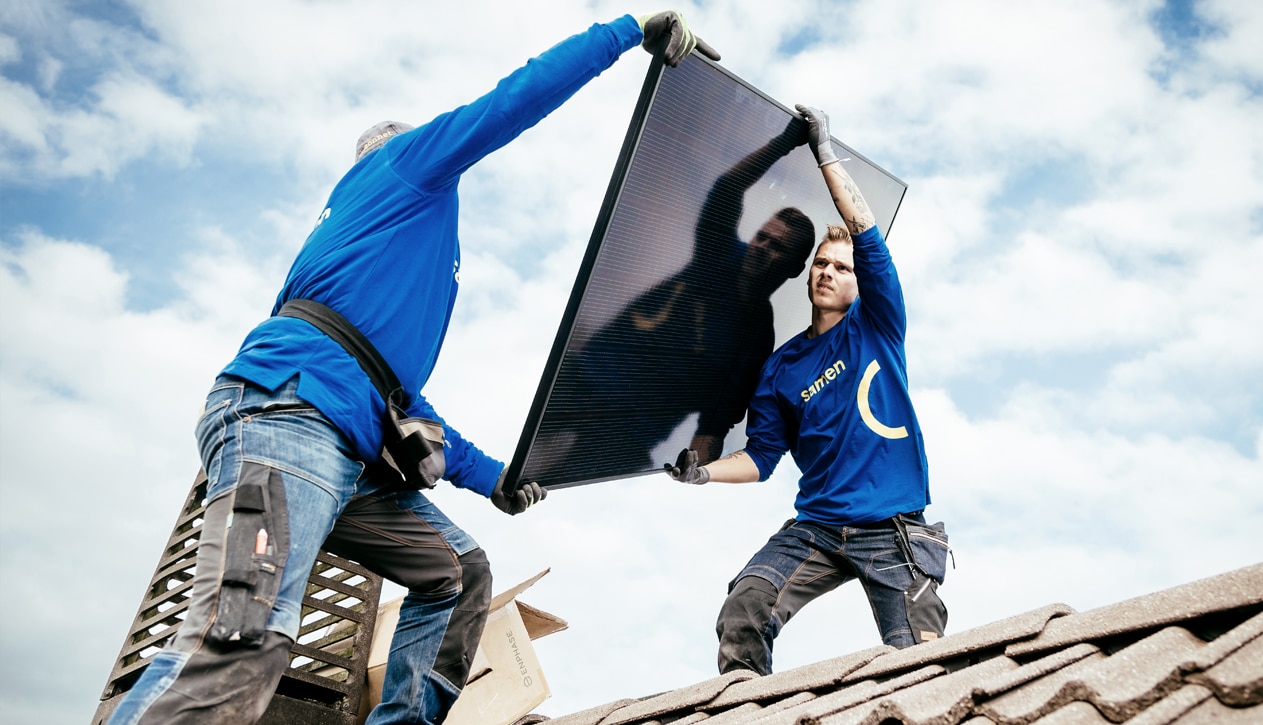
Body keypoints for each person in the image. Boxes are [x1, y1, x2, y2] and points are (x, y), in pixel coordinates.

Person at [110, 12, 718, 725]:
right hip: (289, 421)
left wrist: (495, 477)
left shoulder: (380, 274)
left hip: (344, 445)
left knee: (457, 576)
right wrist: (627, 33)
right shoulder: (398, 167)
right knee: (239, 639)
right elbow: (510, 101)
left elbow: (399, 403)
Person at [666, 105, 950, 676]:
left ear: (858, 281)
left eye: (841, 267)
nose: (828, 272)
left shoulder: (878, 324)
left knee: (921, 667)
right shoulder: (780, 366)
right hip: (817, 528)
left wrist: (823, 152)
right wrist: (702, 471)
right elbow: (761, 457)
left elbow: (864, 228)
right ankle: (748, 713)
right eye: (821, 263)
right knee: (742, 610)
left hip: (892, 528)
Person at [548, 120, 815, 483]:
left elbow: (714, 425)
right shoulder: (719, 253)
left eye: (778, 247)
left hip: (631, 428)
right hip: (587, 376)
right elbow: (728, 188)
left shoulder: (754, 341)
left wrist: (701, 471)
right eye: (762, 238)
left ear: (795, 268)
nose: (762, 248)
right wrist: (783, 142)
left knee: (553, 484)